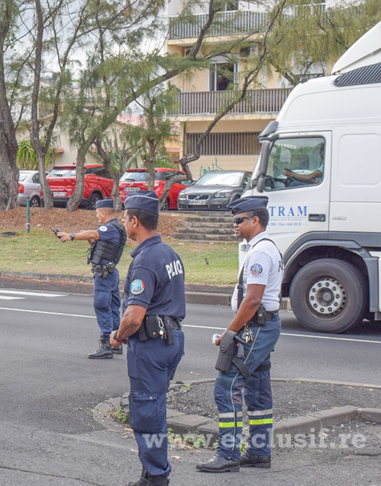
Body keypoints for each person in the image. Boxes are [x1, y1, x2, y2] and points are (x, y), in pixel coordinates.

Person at [196, 196, 282, 474]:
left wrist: (230, 332)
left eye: (238, 220)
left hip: (256, 326)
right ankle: (258, 452)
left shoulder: (259, 252)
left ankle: (228, 454)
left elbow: (253, 300)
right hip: (262, 325)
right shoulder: (263, 248)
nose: (234, 225)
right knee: (257, 387)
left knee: (226, 385)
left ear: (255, 220)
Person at [109, 190, 185, 486]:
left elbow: (133, 316)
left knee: (145, 411)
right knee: (156, 407)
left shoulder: (144, 260)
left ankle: (156, 476)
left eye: (126, 217)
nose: (125, 222)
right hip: (171, 338)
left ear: (135, 221)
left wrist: (117, 337)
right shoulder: (168, 253)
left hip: (151, 345)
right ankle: (153, 472)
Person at [57, 198, 127, 359]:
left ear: (103, 213)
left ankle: (106, 344)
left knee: (103, 307)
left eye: (97, 213)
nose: (97, 216)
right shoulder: (114, 228)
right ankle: (115, 341)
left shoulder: (109, 228)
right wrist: (87, 237)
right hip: (110, 273)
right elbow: (97, 242)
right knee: (113, 308)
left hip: (104, 275)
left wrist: (72, 236)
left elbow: (95, 234)